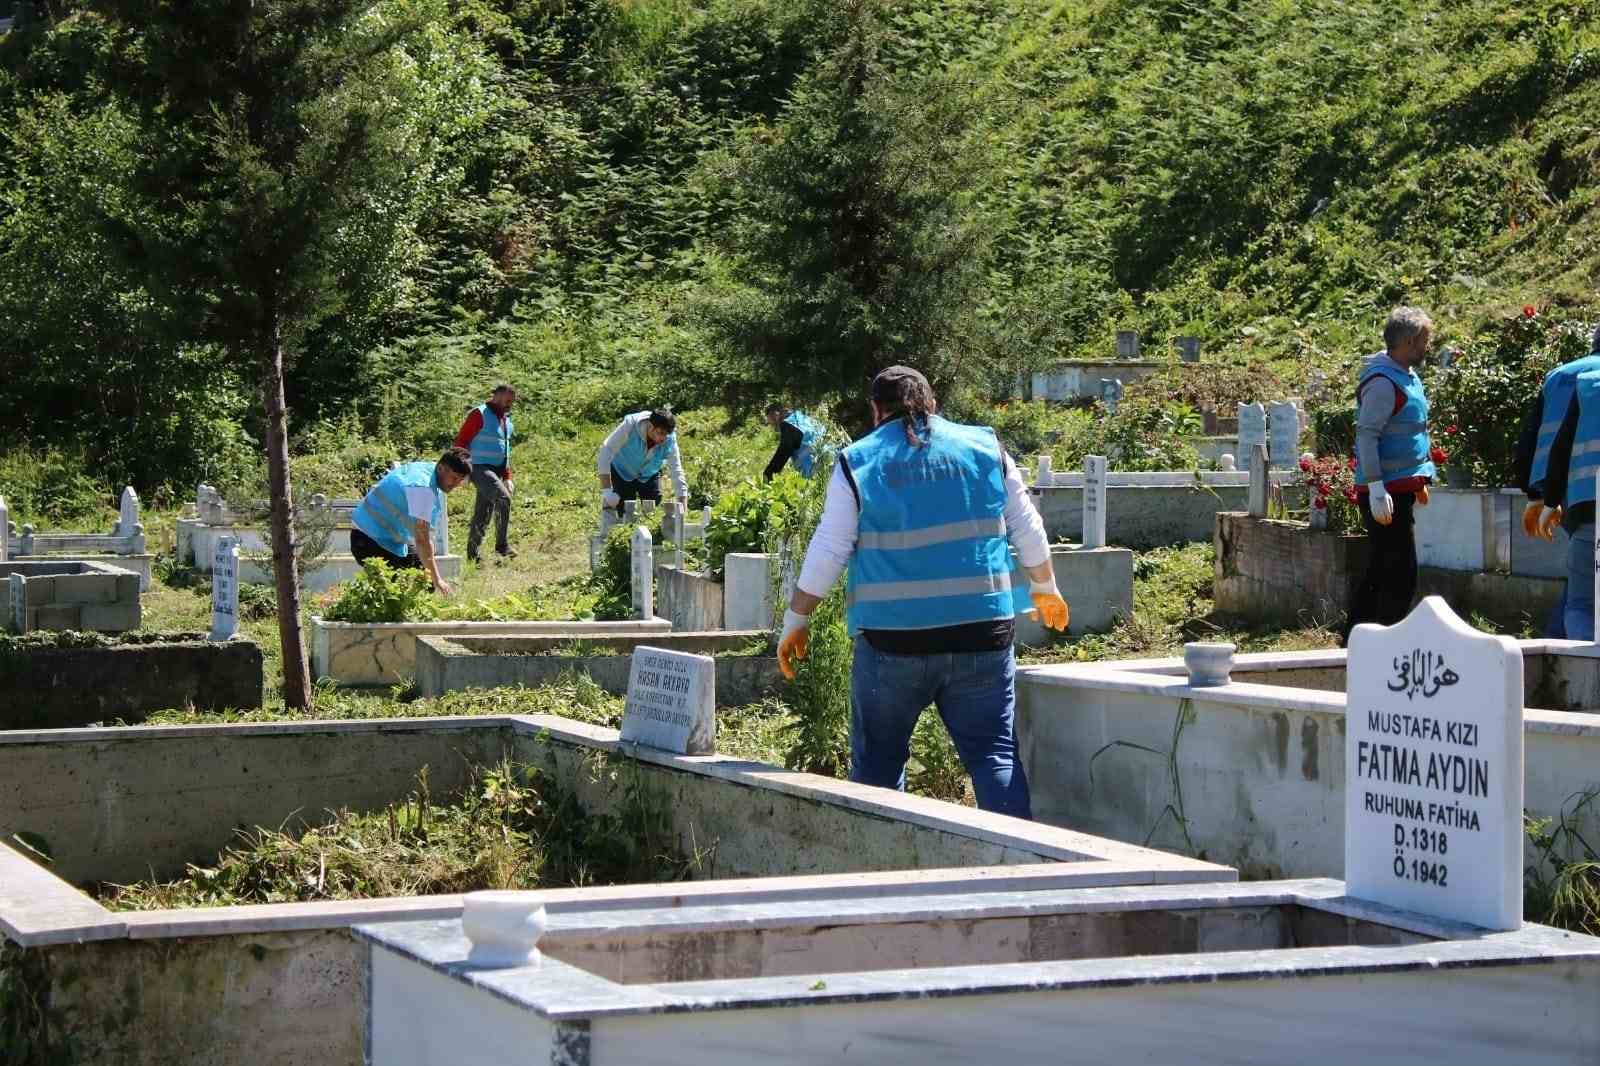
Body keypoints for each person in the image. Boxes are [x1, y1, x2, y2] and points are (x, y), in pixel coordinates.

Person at [775, 366, 1070, 820]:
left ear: (876, 410)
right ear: (932, 402)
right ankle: (1019, 871)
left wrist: (797, 619)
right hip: (982, 635)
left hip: (893, 644)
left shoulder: (859, 460)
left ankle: (884, 876)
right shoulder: (984, 446)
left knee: (878, 768)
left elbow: (830, 549)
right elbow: (1027, 526)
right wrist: (1045, 587)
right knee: (994, 756)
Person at [1342, 307, 1438, 643]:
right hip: (1384, 493)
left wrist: (1420, 478)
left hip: (1399, 488)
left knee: (1382, 567)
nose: (1429, 347)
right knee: (1400, 572)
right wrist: (1376, 487)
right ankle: (1387, 641)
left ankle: (1355, 637)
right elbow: (1367, 435)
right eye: (1425, 340)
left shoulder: (1405, 375)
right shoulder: (1384, 383)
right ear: (1410, 342)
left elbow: (1411, 433)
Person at [1513, 325, 1600, 636]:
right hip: (1582, 485)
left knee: (1583, 581)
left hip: (1569, 488)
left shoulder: (1560, 375)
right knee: (1584, 584)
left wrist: (1537, 495)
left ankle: (1562, 650)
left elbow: (1533, 436)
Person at [350, 447, 471, 596]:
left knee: (425, 580)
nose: (456, 484)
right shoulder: (422, 488)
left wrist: (433, 576)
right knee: (397, 592)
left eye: (460, 480)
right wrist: (438, 579)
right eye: (454, 478)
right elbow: (421, 539)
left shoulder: (428, 470)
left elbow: (423, 537)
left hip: (385, 539)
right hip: (367, 541)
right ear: (441, 468)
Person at [452, 384, 517, 563]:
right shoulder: (478, 414)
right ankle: (502, 546)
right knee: (503, 499)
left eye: (512, 401)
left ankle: (473, 555)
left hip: (496, 470)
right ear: (496, 396)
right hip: (478, 468)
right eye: (507, 400)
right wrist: (461, 470)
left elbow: (506, 451)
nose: (510, 404)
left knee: (483, 512)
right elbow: (461, 442)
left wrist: (508, 476)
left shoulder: (506, 420)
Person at [596, 409, 688, 513]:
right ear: (650, 426)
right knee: (623, 511)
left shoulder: (669, 439)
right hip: (622, 472)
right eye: (660, 433)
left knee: (652, 508)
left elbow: (676, 470)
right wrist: (607, 491)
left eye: (666, 434)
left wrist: (683, 507)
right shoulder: (630, 425)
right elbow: (606, 450)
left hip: (648, 474)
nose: (663, 439)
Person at [763, 403, 825, 480]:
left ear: (776, 415)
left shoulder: (788, 425)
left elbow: (783, 451)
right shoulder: (803, 418)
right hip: (829, 463)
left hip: (815, 471)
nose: (774, 427)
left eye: (772, 423)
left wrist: (768, 473)